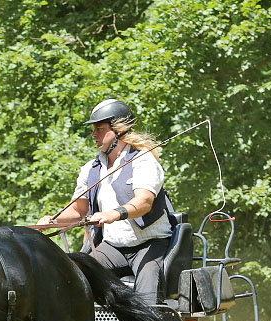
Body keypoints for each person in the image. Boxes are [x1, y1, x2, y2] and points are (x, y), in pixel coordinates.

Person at [40, 99, 174, 305]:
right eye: (94, 129)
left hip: (149, 244)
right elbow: (78, 210)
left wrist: (113, 214)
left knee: (148, 301)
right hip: (113, 247)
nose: (94, 135)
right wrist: (52, 220)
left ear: (118, 131)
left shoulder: (143, 160)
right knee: (72, 274)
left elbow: (144, 202)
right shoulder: (91, 169)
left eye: (100, 129)